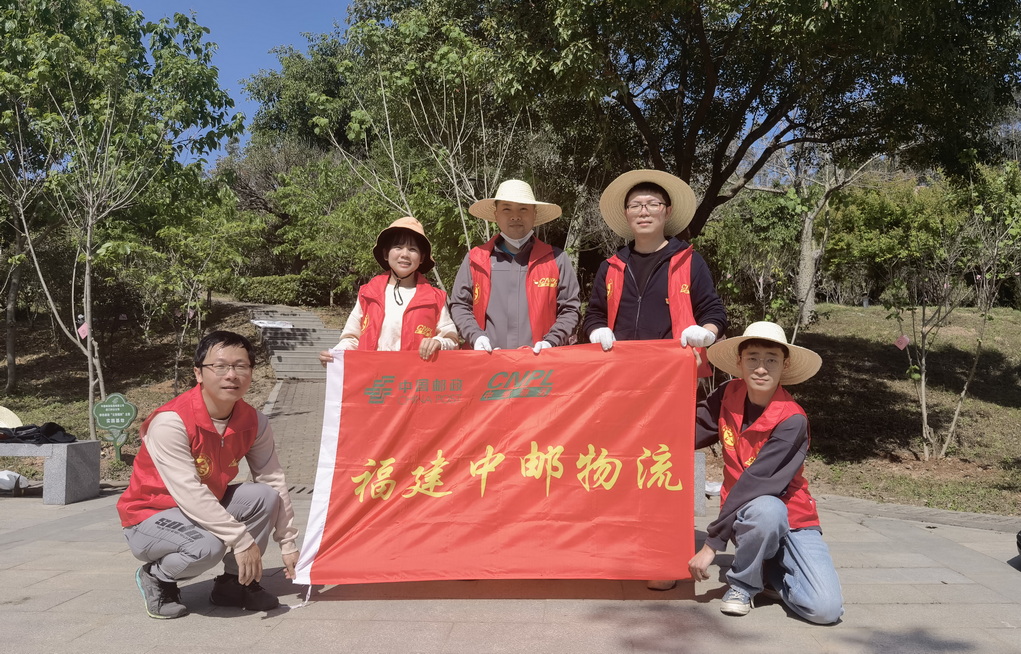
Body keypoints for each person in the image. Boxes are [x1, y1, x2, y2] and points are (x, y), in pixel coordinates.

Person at [117, 331, 299, 619]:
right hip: (149, 516)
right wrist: (241, 540)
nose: (232, 375)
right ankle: (157, 576)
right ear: (198, 373)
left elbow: (273, 479)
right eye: (220, 366)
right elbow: (188, 491)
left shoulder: (254, 421)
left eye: (241, 366)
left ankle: (234, 584)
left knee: (265, 496)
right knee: (207, 546)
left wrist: (288, 544)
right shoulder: (171, 422)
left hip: (202, 507)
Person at [688, 321, 843, 624]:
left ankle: (769, 570)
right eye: (753, 358)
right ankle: (743, 584)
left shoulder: (792, 420)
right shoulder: (727, 395)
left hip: (795, 520)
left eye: (771, 359)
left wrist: (711, 545)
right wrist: (686, 381)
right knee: (765, 511)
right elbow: (686, 432)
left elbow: (756, 483)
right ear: (739, 362)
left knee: (825, 610)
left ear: (785, 365)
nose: (761, 368)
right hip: (749, 518)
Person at [583, 170, 726, 371]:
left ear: (667, 211)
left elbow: (713, 310)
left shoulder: (689, 261)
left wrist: (706, 333)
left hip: (675, 371)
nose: (644, 212)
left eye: (653, 204)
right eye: (635, 206)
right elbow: (594, 314)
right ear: (626, 213)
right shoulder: (610, 267)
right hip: (619, 371)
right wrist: (597, 331)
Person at [449, 180, 581, 352]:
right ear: (496, 215)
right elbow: (459, 305)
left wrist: (551, 341)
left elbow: (570, 309)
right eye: (507, 209)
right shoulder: (475, 260)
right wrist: (476, 337)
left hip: (541, 363)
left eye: (523, 209)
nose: (515, 216)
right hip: (487, 361)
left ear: (534, 214)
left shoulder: (556, 259)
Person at [318, 216, 458, 365]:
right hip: (374, 376)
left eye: (412, 249)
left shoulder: (435, 298)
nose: (405, 254)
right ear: (386, 254)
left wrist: (438, 342)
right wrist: (334, 355)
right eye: (398, 247)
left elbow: (452, 341)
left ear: (422, 258)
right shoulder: (368, 293)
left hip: (415, 378)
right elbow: (352, 339)